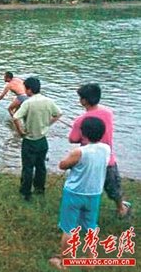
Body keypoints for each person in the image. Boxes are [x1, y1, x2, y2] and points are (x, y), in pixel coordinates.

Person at [49, 117, 110, 270]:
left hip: (74, 193)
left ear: (83, 133)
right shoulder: (106, 148)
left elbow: (63, 165)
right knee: (91, 227)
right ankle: (91, 261)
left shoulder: (79, 152)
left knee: (68, 228)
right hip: (94, 193)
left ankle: (64, 262)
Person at [68, 83, 131, 218]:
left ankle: (82, 210)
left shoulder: (80, 120)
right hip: (108, 159)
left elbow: (73, 139)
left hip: (88, 160)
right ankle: (121, 208)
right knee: (113, 187)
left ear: (84, 100)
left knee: (85, 186)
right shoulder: (108, 113)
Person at [13, 77, 62, 201]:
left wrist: (20, 131)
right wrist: (48, 124)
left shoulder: (28, 103)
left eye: (25, 88)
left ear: (29, 89)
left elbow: (15, 117)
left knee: (28, 167)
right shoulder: (48, 101)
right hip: (42, 140)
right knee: (41, 166)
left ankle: (26, 192)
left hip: (29, 140)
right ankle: (40, 190)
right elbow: (58, 113)